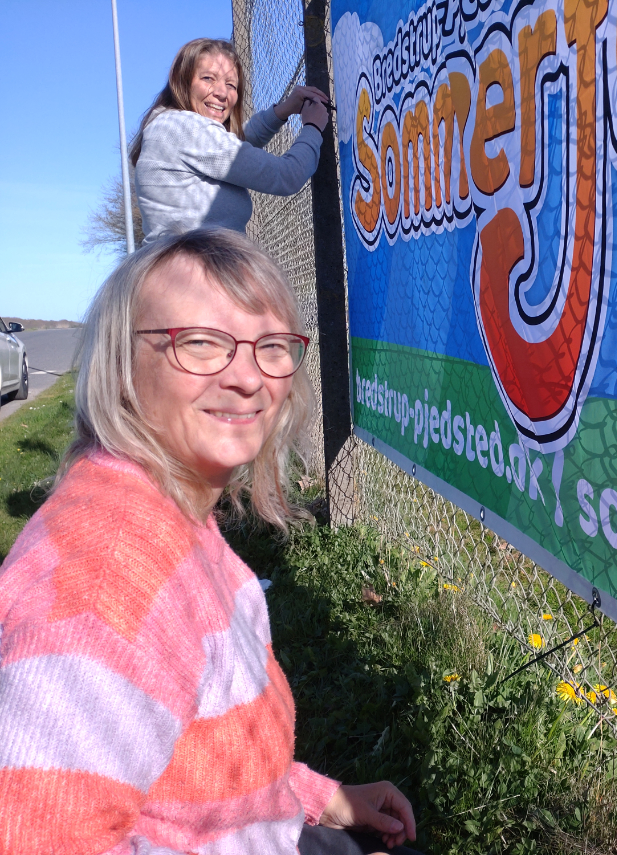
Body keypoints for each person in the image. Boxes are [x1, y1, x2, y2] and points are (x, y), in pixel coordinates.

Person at [0, 229, 417, 855]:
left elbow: (195, 769)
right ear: (121, 366)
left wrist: (320, 797)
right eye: (199, 342)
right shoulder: (105, 578)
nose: (248, 378)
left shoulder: (168, 512)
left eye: (270, 347)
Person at [131, 38, 329, 243]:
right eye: (208, 78)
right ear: (181, 81)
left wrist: (281, 112)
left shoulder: (168, 125)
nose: (222, 93)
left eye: (231, 85)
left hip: (187, 259)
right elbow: (286, 175)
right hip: (197, 261)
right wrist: (313, 128)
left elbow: (234, 149)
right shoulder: (183, 128)